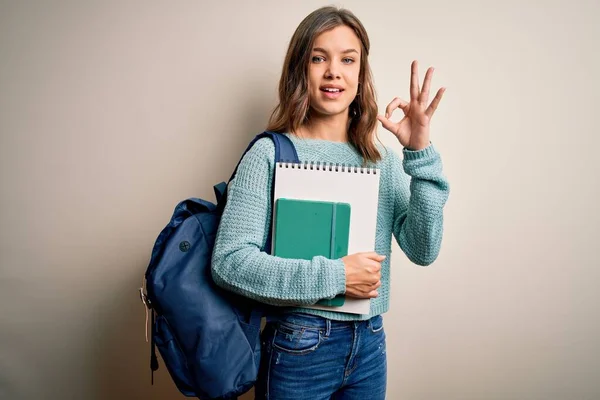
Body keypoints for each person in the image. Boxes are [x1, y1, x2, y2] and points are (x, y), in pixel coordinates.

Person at [211, 5, 449, 400]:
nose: (333, 71)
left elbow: (424, 250)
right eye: (319, 58)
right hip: (298, 346)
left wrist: (420, 153)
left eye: (348, 59)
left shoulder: (382, 160)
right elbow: (229, 262)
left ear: (360, 73)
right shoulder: (269, 154)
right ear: (299, 70)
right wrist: (338, 277)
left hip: (370, 344)